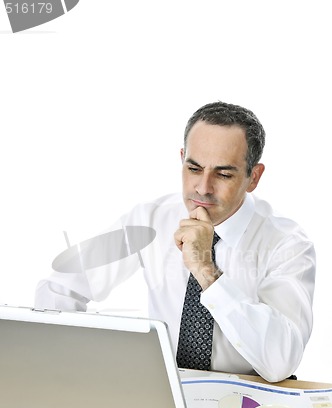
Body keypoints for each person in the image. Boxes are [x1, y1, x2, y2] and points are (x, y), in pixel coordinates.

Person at [35, 101, 316, 382]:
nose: (203, 188)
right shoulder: (150, 218)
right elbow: (61, 288)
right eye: (194, 168)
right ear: (182, 158)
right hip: (165, 388)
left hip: (248, 398)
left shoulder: (287, 244)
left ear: (253, 177)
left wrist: (207, 272)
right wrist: (67, 365)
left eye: (223, 174)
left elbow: (280, 361)